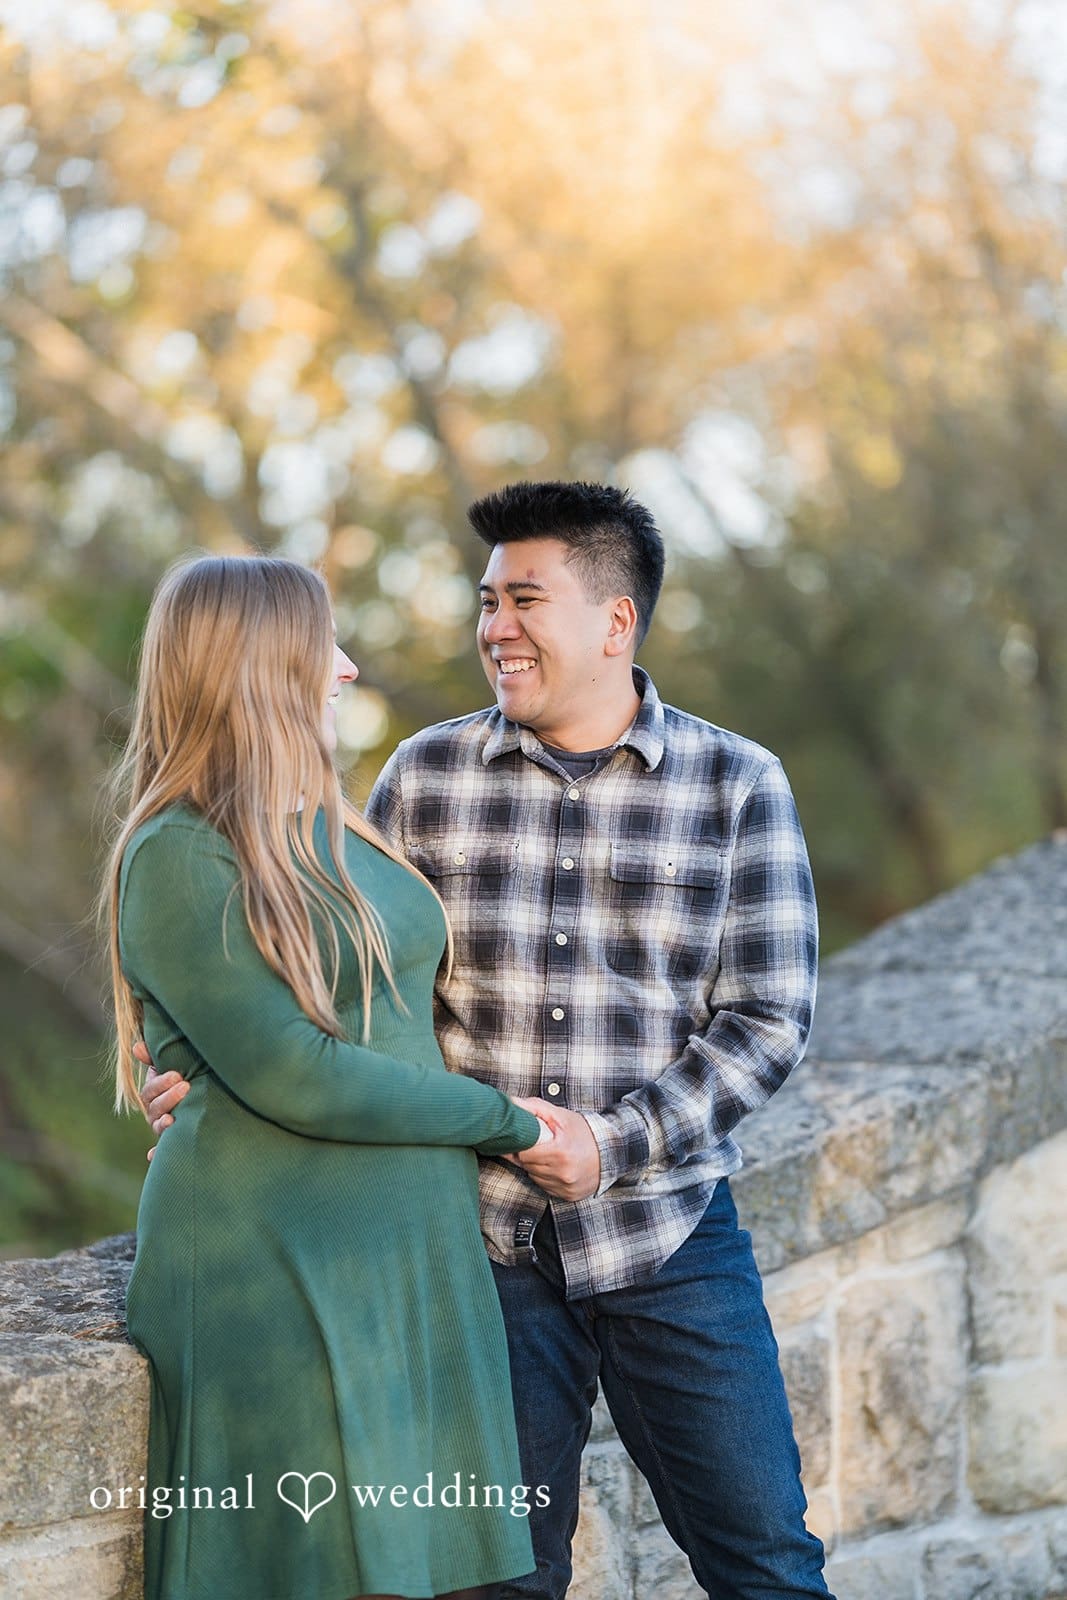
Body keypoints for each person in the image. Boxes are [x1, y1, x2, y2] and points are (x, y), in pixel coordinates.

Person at [145, 483, 832, 1600]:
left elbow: (766, 1019)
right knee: (493, 1584)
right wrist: (209, 1074)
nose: (495, 627)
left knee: (765, 1560)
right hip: (477, 1253)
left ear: (614, 622)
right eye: (486, 601)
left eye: (525, 599)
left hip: (668, 1236)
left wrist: (611, 1145)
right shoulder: (422, 776)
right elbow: (336, 987)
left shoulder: (736, 783)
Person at [107, 552, 553, 1600]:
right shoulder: (177, 850)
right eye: (324, 648)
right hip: (271, 1270)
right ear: (257, 667)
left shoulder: (338, 824)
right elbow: (296, 1072)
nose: (346, 668)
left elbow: (393, 1020)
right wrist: (511, 1122)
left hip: (407, 1264)